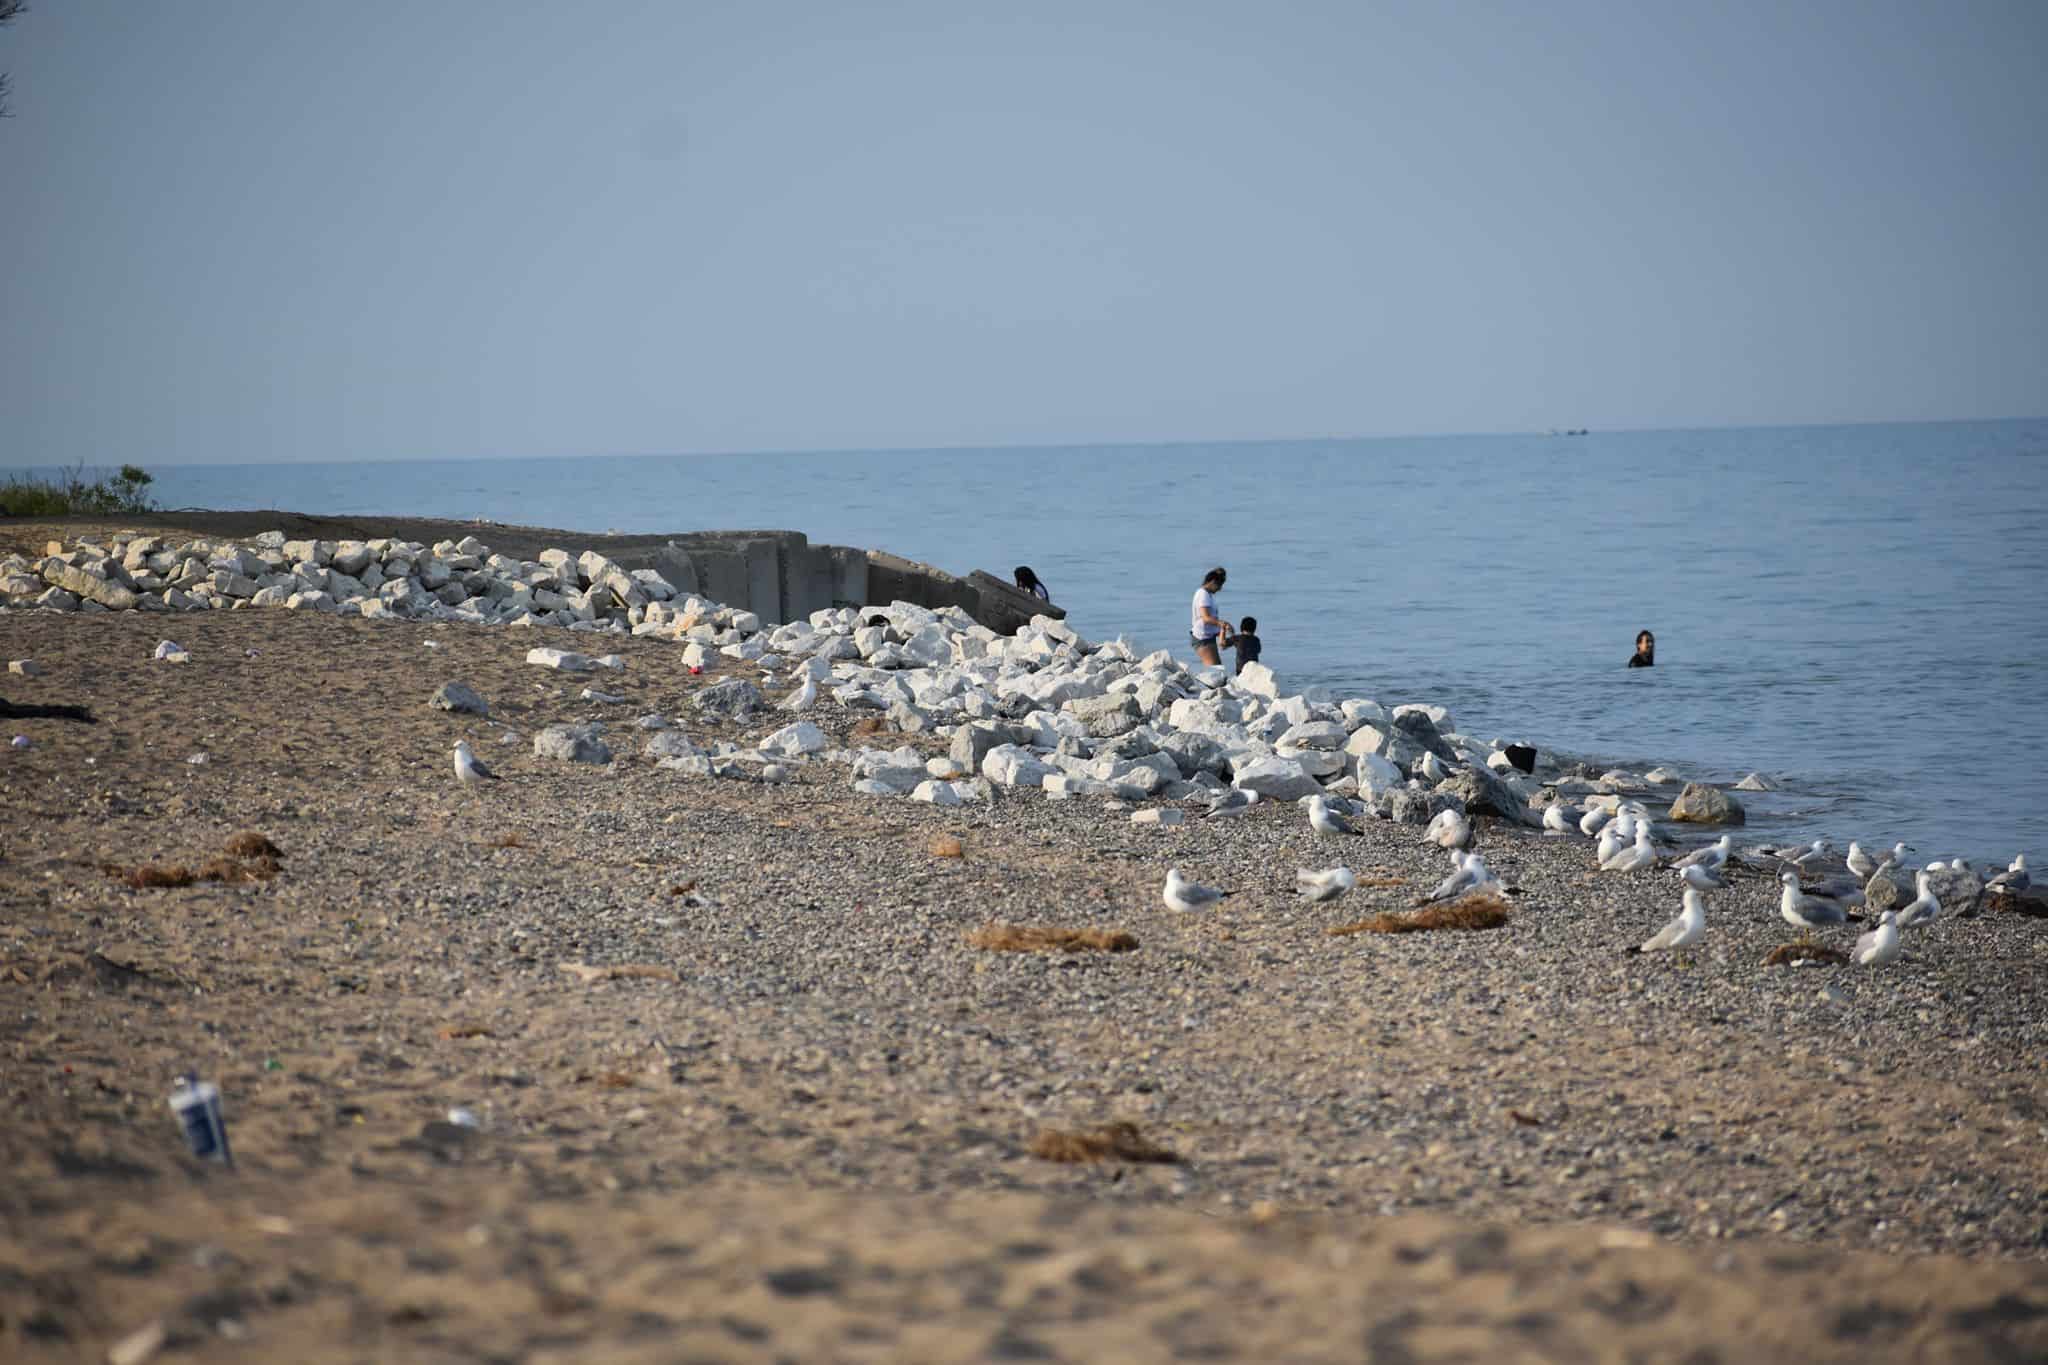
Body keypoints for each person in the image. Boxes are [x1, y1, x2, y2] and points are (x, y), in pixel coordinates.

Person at [1190, 567, 1229, 666]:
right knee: (1215, 669)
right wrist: (1222, 623)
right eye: (1219, 585)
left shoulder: (1206, 594)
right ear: (1212, 582)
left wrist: (1219, 630)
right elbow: (1206, 618)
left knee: (1217, 668)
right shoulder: (1203, 594)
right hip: (1202, 638)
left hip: (1207, 636)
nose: (1220, 589)